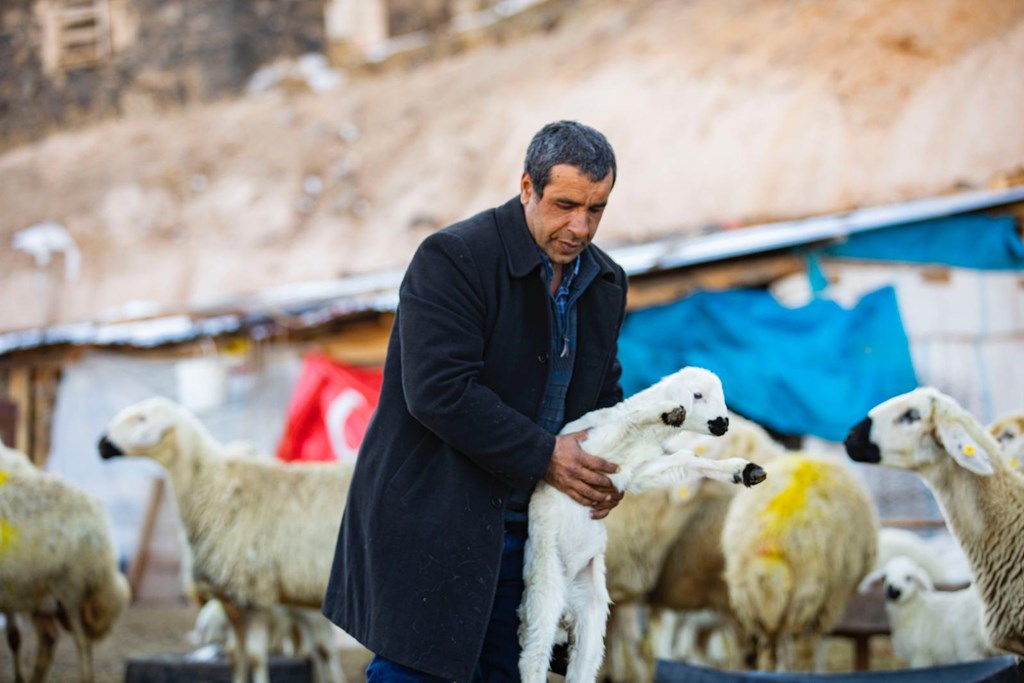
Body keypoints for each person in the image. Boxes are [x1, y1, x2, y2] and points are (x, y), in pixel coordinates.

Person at [322, 120, 629, 682]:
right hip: (437, 524)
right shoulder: (454, 258)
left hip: (536, 535)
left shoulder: (605, 283)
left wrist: (611, 467)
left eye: (596, 209)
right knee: (417, 674)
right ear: (527, 188)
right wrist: (548, 456)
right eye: (564, 205)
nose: (580, 226)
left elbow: (605, 395)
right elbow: (438, 390)